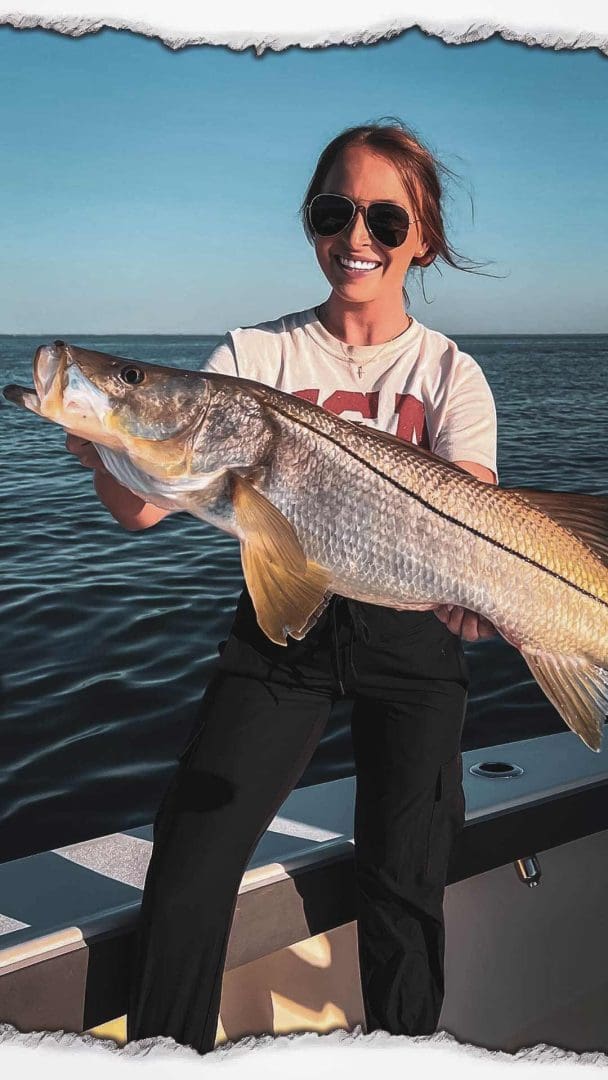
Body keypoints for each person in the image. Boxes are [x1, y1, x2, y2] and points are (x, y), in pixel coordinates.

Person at [66, 120, 498, 1054]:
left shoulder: (451, 373)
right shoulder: (251, 358)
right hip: (280, 633)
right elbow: (142, 511)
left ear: (422, 238)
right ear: (310, 221)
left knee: (402, 882)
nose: (358, 237)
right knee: (189, 861)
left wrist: (485, 592)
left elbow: (483, 517)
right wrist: (105, 439)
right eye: (334, 211)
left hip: (413, 637)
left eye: (386, 219)